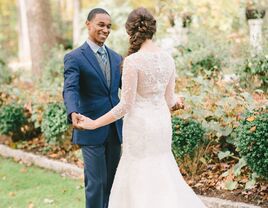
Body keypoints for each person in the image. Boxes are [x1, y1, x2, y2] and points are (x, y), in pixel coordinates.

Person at [77, 7, 207, 208]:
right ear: (152, 29)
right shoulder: (168, 59)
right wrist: (178, 101)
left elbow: (125, 106)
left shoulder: (133, 61)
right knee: (162, 172)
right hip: (162, 125)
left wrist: (94, 124)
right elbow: (170, 100)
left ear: (131, 31)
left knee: (139, 175)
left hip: (140, 127)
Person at [63, 8, 123, 208]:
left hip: (115, 129)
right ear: (88, 24)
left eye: (109, 26)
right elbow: (70, 88)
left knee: (113, 183)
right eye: (101, 24)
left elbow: (130, 90)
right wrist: (73, 112)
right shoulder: (74, 57)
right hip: (89, 128)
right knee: (96, 183)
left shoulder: (117, 58)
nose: (105, 30)